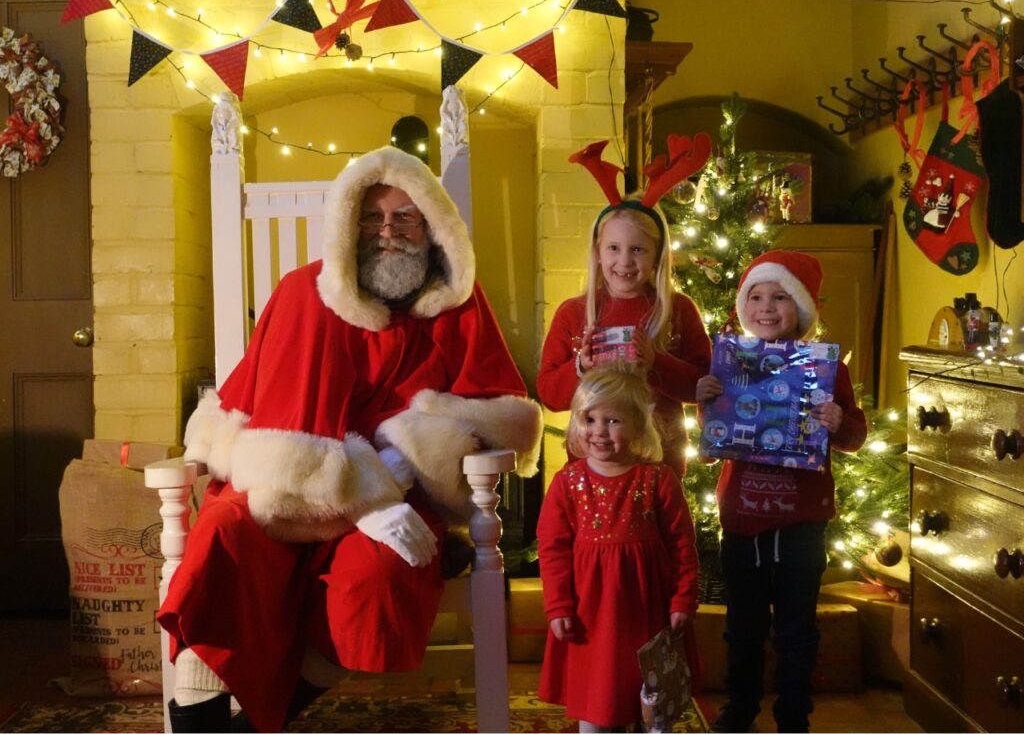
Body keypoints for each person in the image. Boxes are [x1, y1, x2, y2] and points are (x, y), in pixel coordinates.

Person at [157, 146, 544, 733]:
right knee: (222, 536)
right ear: (347, 225)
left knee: (379, 574)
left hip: (402, 499)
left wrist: (390, 477)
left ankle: (259, 720)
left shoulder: (456, 306)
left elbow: (497, 418)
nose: (387, 232)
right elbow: (260, 436)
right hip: (281, 494)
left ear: (432, 228)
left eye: (404, 218)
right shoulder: (300, 295)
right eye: (372, 217)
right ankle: (200, 721)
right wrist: (349, 493)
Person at [695, 249, 868, 733]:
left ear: (802, 308)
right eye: (755, 295)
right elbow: (710, 452)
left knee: (797, 629)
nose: (766, 306)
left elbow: (855, 437)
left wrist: (838, 423)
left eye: (780, 296)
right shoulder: (729, 367)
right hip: (743, 522)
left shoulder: (827, 368)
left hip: (802, 525)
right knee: (743, 627)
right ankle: (741, 707)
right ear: (742, 305)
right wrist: (705, 407)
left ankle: (794, 715)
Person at [537, 367, 700, 732]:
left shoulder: (658, 479)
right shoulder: (567, 482)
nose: (598, 430)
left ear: (640, 427)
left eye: (613, 420)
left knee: (652, 703)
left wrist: (683, 599)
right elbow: (552, 549)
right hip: (590, 615)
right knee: (597, 705)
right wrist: (558, 604)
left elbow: (682, 545)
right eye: (589, 419)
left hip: (648, 611)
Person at [536, 144, 712, 475]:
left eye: (638, 249)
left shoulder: (678, 310)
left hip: (662, 464)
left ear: (657, 256)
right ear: (598, 252)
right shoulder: (574, 313)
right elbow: (549, 394)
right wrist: (580, 366)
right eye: (614, 248)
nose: (625, 261)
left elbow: (703, 386)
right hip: (591, 469)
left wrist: (655, 362)